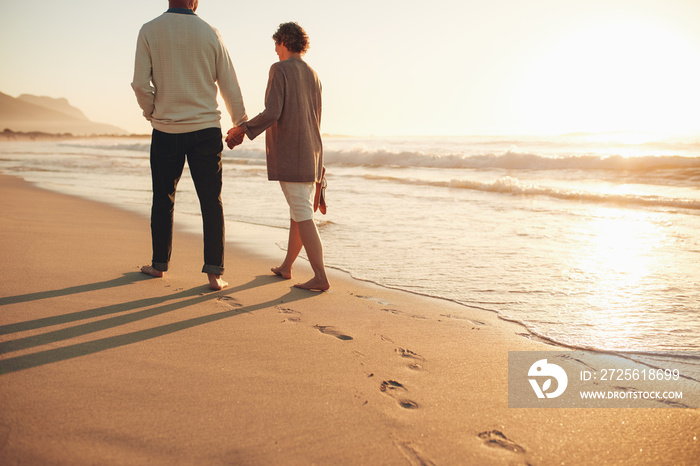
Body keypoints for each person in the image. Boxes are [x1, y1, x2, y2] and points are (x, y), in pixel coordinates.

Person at [131, 0, 247, 290]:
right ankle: (214, 274)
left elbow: (140, 84)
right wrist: (239, 122)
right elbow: (228, 81)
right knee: (211, 200)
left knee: (163, 197)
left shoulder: (149, 30)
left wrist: (152, 112)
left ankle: (159, 266)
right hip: (206, 129)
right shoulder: (210, 32)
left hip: (166, 129)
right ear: (195, 1)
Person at [227, 22, 329, 291]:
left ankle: (320, 276)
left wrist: (242, 130)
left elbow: (273, 112)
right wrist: (321, 164)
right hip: (313, 153)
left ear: (285, 40)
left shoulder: (280, 69)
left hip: (293, 153)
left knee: (303, 214)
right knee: (298, 212)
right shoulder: (313, 74)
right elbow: (316, 119)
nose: (275, 50)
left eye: (276, 43)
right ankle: (287, 267)